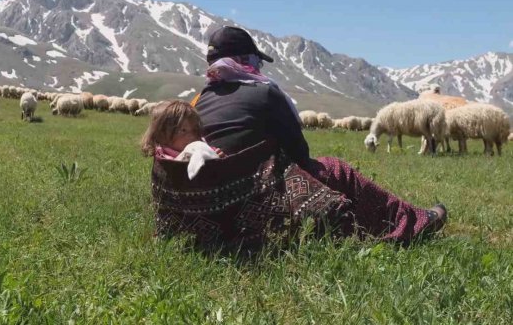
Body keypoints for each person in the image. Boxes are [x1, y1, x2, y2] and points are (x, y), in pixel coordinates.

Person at [149, 26, 447, 252]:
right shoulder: (265, 93)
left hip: (207, 202)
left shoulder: (200, 99)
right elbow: (299, 153)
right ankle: (413, 223)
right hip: (251, 196)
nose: (259, 67)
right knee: (337, 171)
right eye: (255, 60)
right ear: (245, 59)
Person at [141, 100, 224, 179]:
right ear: (161, 135)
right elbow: (176, 171)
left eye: (195, 130)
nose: (192, 136)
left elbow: (208, 152)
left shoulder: (198, 144)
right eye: (183, 130)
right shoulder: (164, 157)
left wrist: (217, 156)